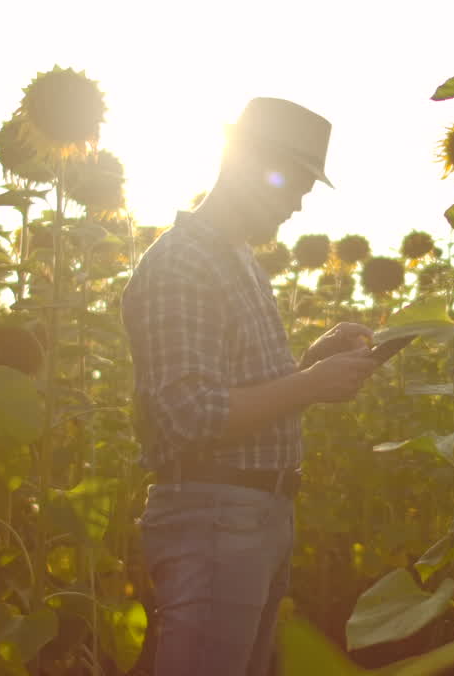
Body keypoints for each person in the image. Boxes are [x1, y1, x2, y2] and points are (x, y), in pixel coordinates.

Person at [121, 98, 379, 676]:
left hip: (250, 519)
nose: (298, 202)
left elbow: (237, 390)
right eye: (292, 183)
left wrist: (314, 362)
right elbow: (189, 413)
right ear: (243, 163)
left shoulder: (233, 256)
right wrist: (311, 385)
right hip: (214, 519)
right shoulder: (184, 263)